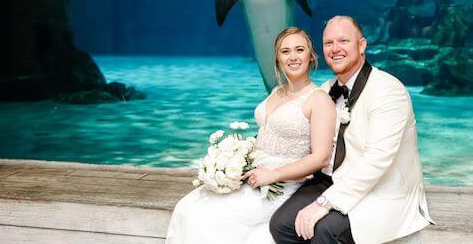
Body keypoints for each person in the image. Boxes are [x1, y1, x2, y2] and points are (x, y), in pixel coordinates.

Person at [270, 16, 434, 244]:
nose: (335, 49)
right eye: (328, 43)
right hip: (332, 179)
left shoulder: (388, 90)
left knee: (324, 230)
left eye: (343, 41)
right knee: (282, 225)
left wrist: (324, 203)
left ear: (362, 45)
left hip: (380, 188)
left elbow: (376, 160)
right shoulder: (327, 90)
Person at [166, 27, 336, 244]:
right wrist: (233, 159)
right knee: (187, 206)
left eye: (299, 50)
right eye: (285, 52)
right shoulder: (277, 91)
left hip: (281, 184)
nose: (292, 57)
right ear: (277, 59)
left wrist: (273, 175)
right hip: (251, 175)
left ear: (311, 56)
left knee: (210, 217)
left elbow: (320, 157)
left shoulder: (319, 100)